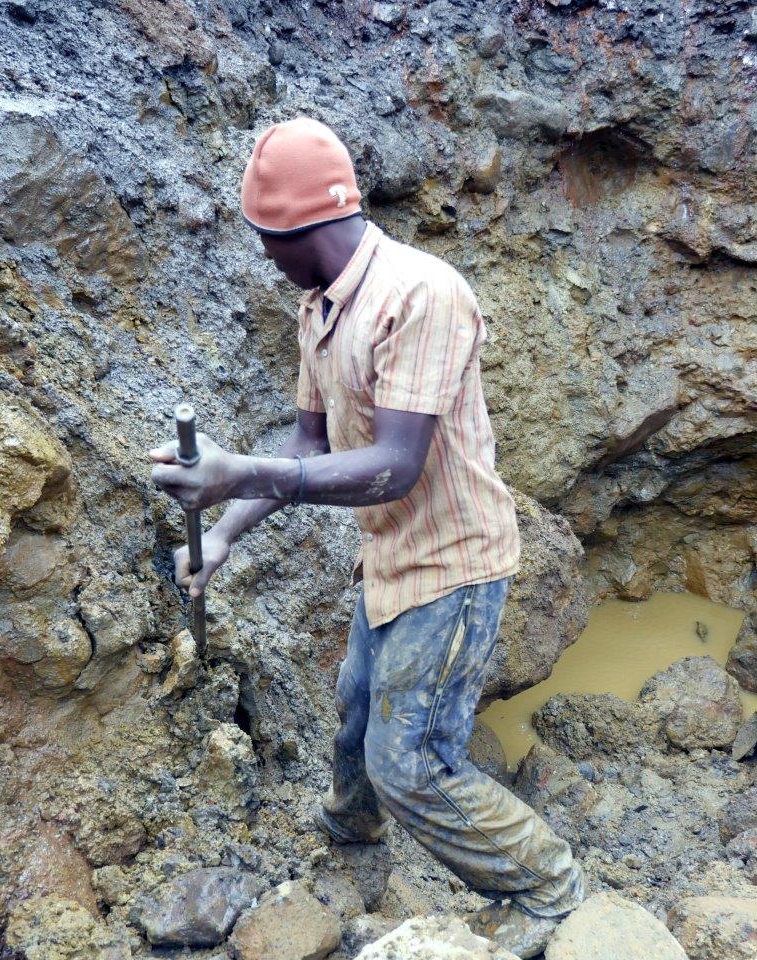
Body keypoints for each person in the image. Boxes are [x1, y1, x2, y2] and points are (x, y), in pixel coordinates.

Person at [149, 117, 583, 957]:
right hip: (386, 557)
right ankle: (352, 842)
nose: (265, 259)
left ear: (299, 230)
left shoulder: (422, 295)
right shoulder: (319, 309)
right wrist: (224, 537)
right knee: (354, 719)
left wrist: (236, 473)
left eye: (267, 242)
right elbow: (309, 447)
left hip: (452, 568)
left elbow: (394, 465)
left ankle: (548, 885)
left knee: (409, 762)